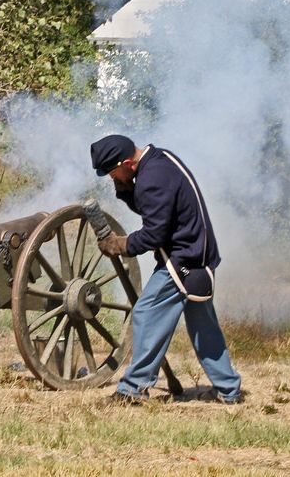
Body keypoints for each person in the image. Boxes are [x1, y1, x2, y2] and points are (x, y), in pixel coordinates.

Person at [90, 134, 242, 404]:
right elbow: (159, 210)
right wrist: (126, 192)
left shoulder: (152, 179)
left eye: (114, 172)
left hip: (184, 259)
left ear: (127, 162)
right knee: (203, 327)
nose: (112, 177)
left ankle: (133, 390)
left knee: (147, 312)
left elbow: (154, 234)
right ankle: (228, 390)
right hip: (197, 253)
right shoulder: (159, 161)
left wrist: (120, 245)